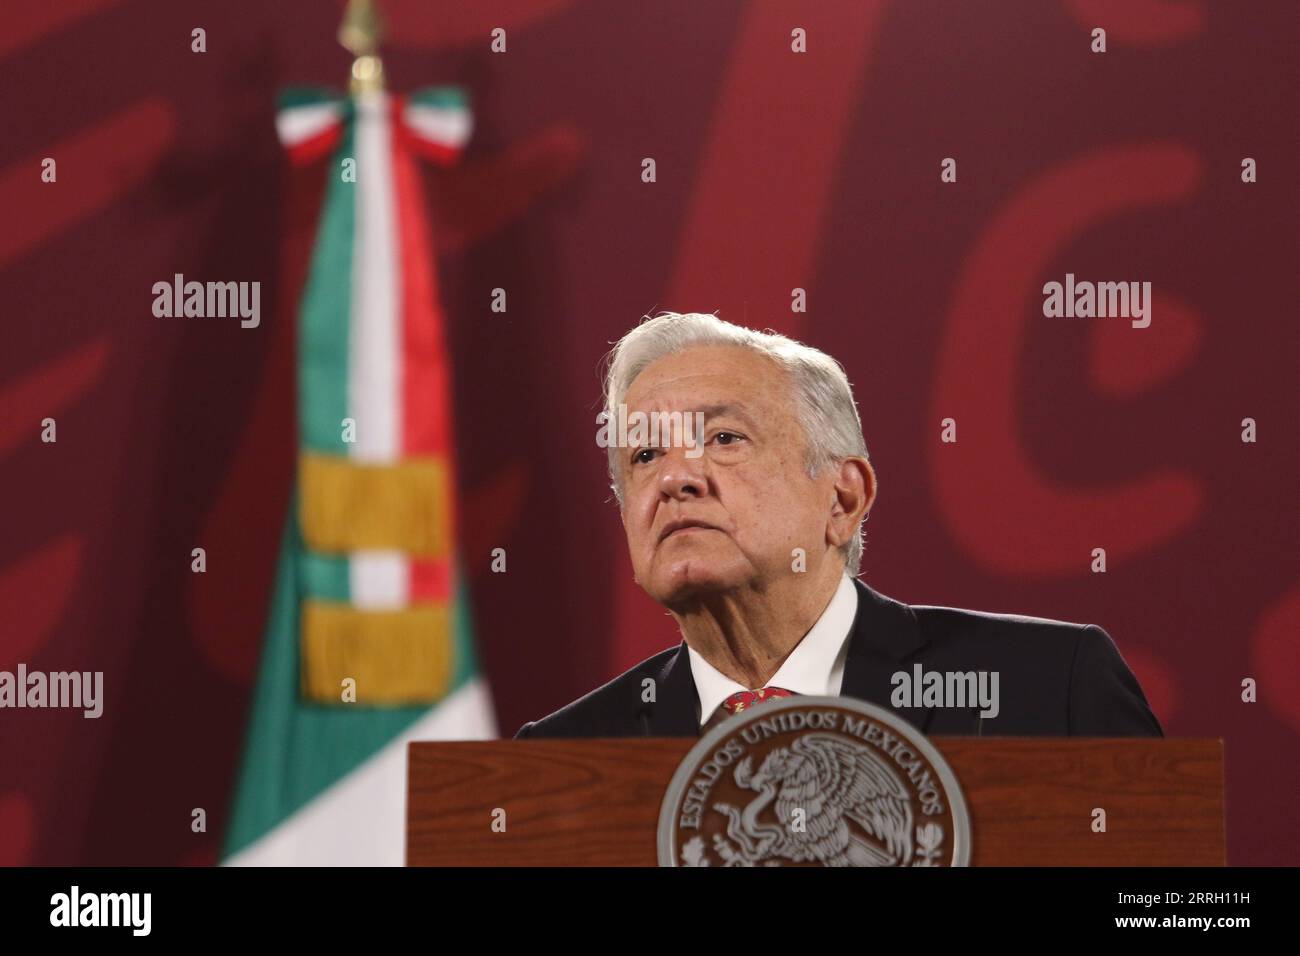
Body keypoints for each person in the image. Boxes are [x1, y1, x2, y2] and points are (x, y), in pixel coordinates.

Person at [515, 312, 1162, 739]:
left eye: (723, 437)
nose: (676, 478)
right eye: (646, 454)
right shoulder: (562, 756)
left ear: (843, 497)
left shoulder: (1049, 690)